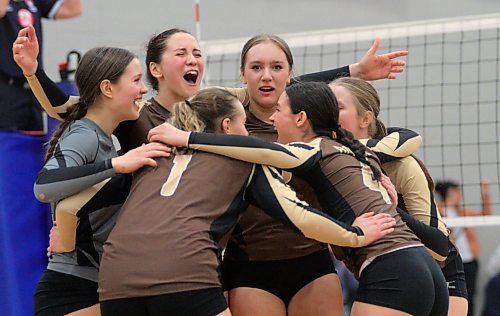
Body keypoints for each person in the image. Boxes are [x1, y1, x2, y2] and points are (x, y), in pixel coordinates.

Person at [16, 28, 408, 315]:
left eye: (198, 52)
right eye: (181, 53)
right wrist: (34, 73)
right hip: (194, 262)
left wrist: (353, 71)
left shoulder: (215, 107)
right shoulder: (137, 115)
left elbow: (280, 86)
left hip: (256, 258)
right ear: (155, 69)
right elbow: (75, 107)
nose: (193, 60)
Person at [148, 81, 450, 316]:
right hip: (422, 268)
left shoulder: (316, 148)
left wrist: (187, 138)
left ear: (301, 118)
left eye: (279, 110)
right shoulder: (352, 150)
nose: (273, 118)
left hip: (391, 270)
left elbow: (264, 152)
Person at [98, 87, 396, 316]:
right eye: (243, 125)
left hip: (115, 281)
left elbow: (78, 204)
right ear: (228, 127)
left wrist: (67, 236)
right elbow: (299, 216)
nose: (248, 133)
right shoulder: (244, 161)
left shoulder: (147, 155)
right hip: (184, 273)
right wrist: (355, 235)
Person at [14, 26, 172, 315]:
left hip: (98, 282)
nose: (143, 88)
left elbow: (64, 106)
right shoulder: (86, 133)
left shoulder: (108, 132)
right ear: (108, 88)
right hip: (71, 290)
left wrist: (33, 71)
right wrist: (115, 165)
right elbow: (43, 186)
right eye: (137, 80)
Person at [328, 76, 469, 316]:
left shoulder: (402, 164)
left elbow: (440, 248)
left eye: (337, 107)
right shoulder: (328, 163)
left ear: (366, 118)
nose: (328, 114)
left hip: (439, 268)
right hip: (382, 271)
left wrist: (390, 208)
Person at [1, 1, 81, 315]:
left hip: (34, 100)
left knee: (44, 209)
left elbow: (73, 9)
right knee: (15, 218)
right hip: (6, 106)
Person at [435, 179, 492, 316]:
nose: (461, 195)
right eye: (458, 191)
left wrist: (485, 193)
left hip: (470, 261)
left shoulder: (462, 211)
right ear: (451, 192)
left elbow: (486, 214)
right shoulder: (438, 209)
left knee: (470, 296)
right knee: (451, 297)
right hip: (450, 263)